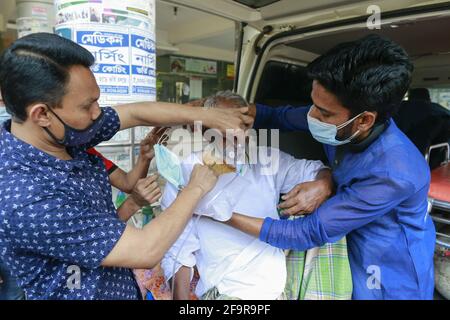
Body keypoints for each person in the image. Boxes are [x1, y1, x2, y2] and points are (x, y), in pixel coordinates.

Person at [0, 33, 251, 300]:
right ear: (42, 114)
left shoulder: (66, 133)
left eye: (97, 100)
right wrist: (196, 188)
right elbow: (145, 250)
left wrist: (207, 115)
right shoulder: (25, 198)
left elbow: (134, 113)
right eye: (88, 106)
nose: (98, 112)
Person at [211, 35, 436, 300]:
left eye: (324, 113)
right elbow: (276, 116)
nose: (312, 117)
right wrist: (206, 113)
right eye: (314, 104)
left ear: (364, 120)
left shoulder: (395, 172)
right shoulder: (339, 122)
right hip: (346, 246)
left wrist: (216, 213)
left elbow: (308, 231)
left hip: (388, 274)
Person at [160, 92, 334, 300]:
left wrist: (324, 184)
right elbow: (177, 250)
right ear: (206, 128)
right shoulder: (185, 172)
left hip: (273, 290)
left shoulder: (266, 160)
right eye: (224, 124)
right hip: (223, 292)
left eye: (241, 125)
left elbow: (315, 170)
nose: (235, 133)